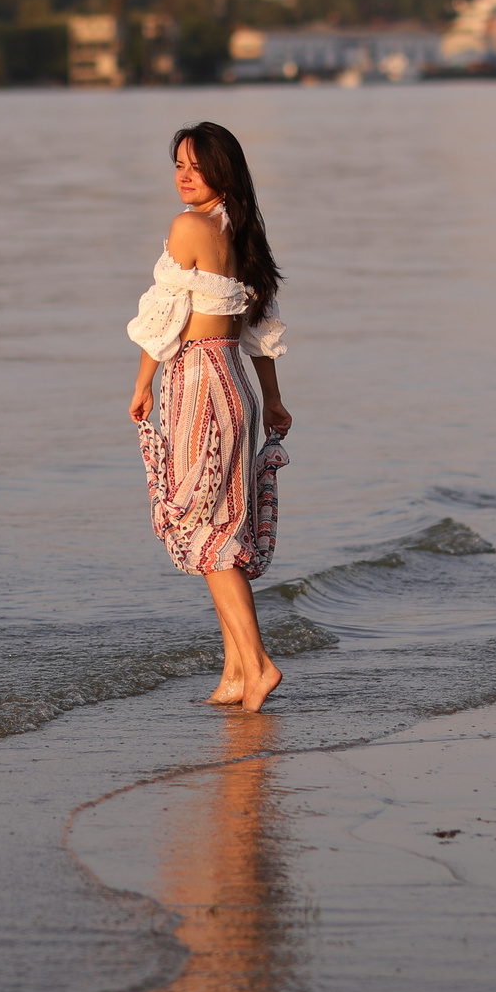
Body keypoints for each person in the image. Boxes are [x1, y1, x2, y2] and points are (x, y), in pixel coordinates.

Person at [127, 122, 292, 712]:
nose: (184, 177)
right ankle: (233, 673)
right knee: (221, 524)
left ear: (223, 171)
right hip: (237, 386)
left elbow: (164, 315)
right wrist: (272, 401)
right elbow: (260, 333)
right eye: (178, 166)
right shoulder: (244, 234)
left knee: (206, 532)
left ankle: (259, 664)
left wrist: (142, 383)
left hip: (198, 381)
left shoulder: (188, 227)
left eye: (196, 166)